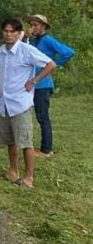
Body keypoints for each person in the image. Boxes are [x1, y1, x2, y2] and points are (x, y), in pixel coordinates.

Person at [0, 18, 56, 188]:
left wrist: (34, 80)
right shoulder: (2, 50)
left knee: (26, 142)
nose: (8, 34)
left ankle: (29, 178)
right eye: (6, 30)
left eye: (12, 31)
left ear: (19, 33)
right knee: (10, 140)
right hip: (5, 103)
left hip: (20, 103)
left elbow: (51, 64)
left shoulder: (27, 50)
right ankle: (13, 170)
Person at [27, 14, 76, 158]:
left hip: (43, 84)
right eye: (31, 25)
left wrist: (55, 66)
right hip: (33, 84)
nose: (32, 28)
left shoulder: (48, 40)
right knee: (35, 115)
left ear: (43, 27)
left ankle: (46, 150)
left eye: (35, 25)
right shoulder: (34, 41)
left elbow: (68, 52)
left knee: (43, 117)